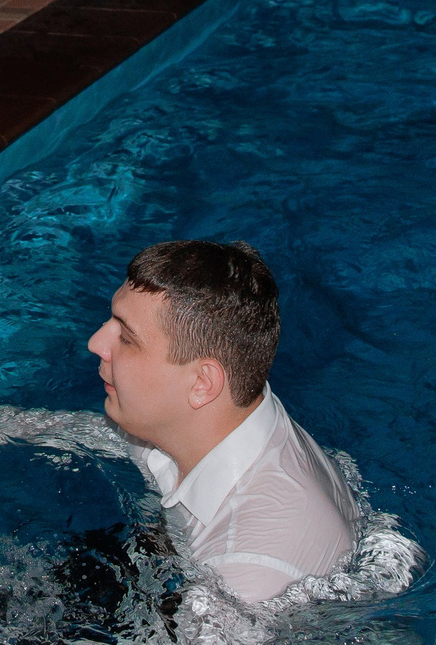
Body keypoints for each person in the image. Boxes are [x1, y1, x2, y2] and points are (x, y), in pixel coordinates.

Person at [86, 240, 356, 605]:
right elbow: (83, 434)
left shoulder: (246, 578)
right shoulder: (217, 415)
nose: (96, 342)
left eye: (127, 337)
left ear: (202, 384)